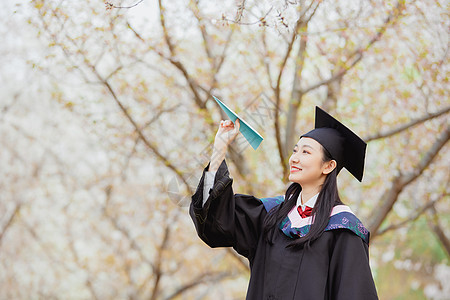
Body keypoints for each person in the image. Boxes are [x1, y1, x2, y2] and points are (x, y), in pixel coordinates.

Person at [190, 106, 378, 299]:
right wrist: (219, 150)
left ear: (328, 166)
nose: (294, 158)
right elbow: (216, 224)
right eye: (295, 151)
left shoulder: (343, 229)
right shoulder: (271, 216)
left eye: (306, 152)